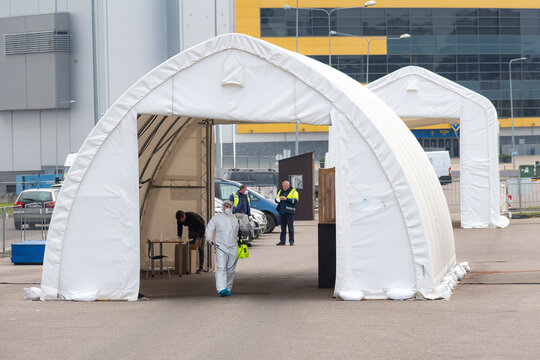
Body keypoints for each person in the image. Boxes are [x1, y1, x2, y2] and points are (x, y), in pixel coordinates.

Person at [205, 200, 239, 297]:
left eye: (229, 206)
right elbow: (209, 228)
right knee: (221, 268)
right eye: (225, 206)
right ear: (222, 207)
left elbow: (238, 230)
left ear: (231, 207)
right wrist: (209, 239)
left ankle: (228, 287)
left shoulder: (235, 218)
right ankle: (221, 289)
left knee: (231, 269)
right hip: (221, 247)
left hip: (233, 247)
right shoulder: (217, 218)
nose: (227, 208)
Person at [275, 180, 299, 246]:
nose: (283, 187)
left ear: (288, 185)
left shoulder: (293, 191)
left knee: (290, 227)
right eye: (283, 186)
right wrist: (279, 198)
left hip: (289, 212)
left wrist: (286, 199)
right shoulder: (281, 191)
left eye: (285, 186)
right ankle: (282, 241)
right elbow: (276, 200)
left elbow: (295, 200)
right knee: (283, 228)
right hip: (282, 212)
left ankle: (291, 241)